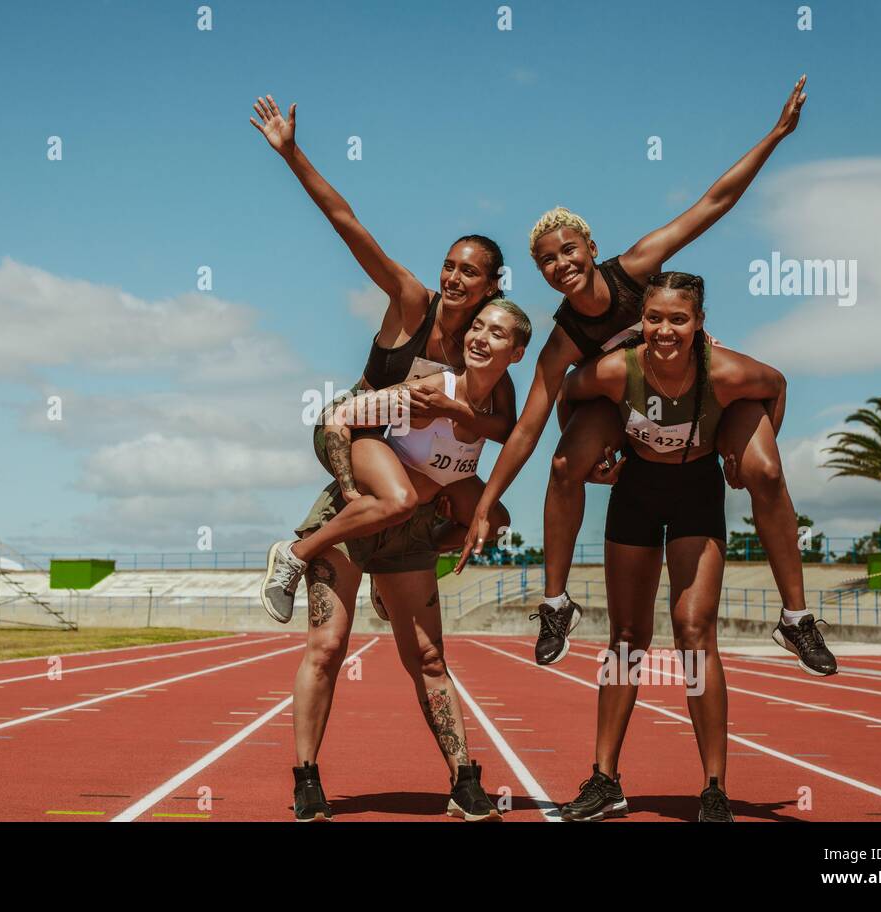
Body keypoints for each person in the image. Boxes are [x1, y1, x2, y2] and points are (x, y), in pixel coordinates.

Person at [456, 76, 837, 677]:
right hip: (630, 415)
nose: (562, 265)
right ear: (540, 272)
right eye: (548, 261)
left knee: (764, 469)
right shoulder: (561, 342)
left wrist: (776, 135)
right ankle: (556, 603)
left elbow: (714, 203)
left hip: (703, 396)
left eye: (570, 250)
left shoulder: (637, 268)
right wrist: (489, 499)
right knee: (563, 462)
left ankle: (795, 617)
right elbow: (529, 428)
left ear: (590, 246)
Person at [249, 93, 516, 621]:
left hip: (414, 447)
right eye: (449, 266)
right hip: (357, 426)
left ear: (492, 286)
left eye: (468, 272)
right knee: (397, 501)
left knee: (494, 518)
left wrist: (455, 424)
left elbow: (503, 424)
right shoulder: (414, 303)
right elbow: (349, 224)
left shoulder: (483, 345)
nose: (453, 278)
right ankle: (292, 557)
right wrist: (291, 154)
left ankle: (388, 566)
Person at [552, 271, 796, 822]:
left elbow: (775, 385)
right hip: (636, 490)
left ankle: (713, 787)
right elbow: (569, 392)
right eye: (655, 318)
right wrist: (598, 461)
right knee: (626, 638)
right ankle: (605, 779)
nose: (665, 330)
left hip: (697, 494)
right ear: (642, 322)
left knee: (693, 634)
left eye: (678, 319)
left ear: (699, 323)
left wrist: (747, 453)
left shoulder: (724, 369)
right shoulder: (621, 368)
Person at [284, 300, 531, 821]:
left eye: (498, 333)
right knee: (327, 649)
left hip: (410, 534)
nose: (481, 337)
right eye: (478, 327)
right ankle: (306, 780)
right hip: (352, 521)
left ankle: (464, 781)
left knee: (429, 659)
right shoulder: (425, 392)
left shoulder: (494, 414)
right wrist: (350, 489)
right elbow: (338, 419)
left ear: (517, 351)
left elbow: (505, 452)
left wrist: (445, 535)